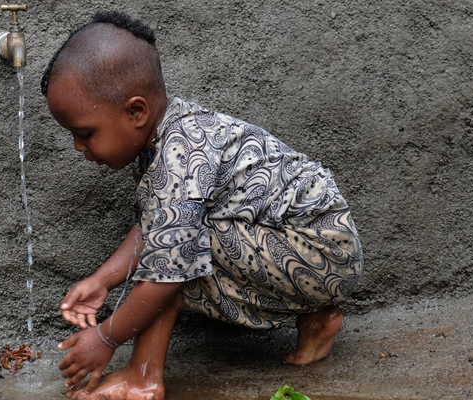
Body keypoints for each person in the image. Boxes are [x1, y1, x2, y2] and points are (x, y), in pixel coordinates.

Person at [40, 10, 363, 400]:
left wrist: (107, 337)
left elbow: (168, 261)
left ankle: (144, 378)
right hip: (315, 250)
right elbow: (152, 224)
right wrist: (102, 281)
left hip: (319, 250)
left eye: (85, 133)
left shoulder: (179, 156)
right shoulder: (165, 138)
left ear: (136, 112)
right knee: (172, 243)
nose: (79, 147)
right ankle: (317, 318)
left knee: (175, 257)